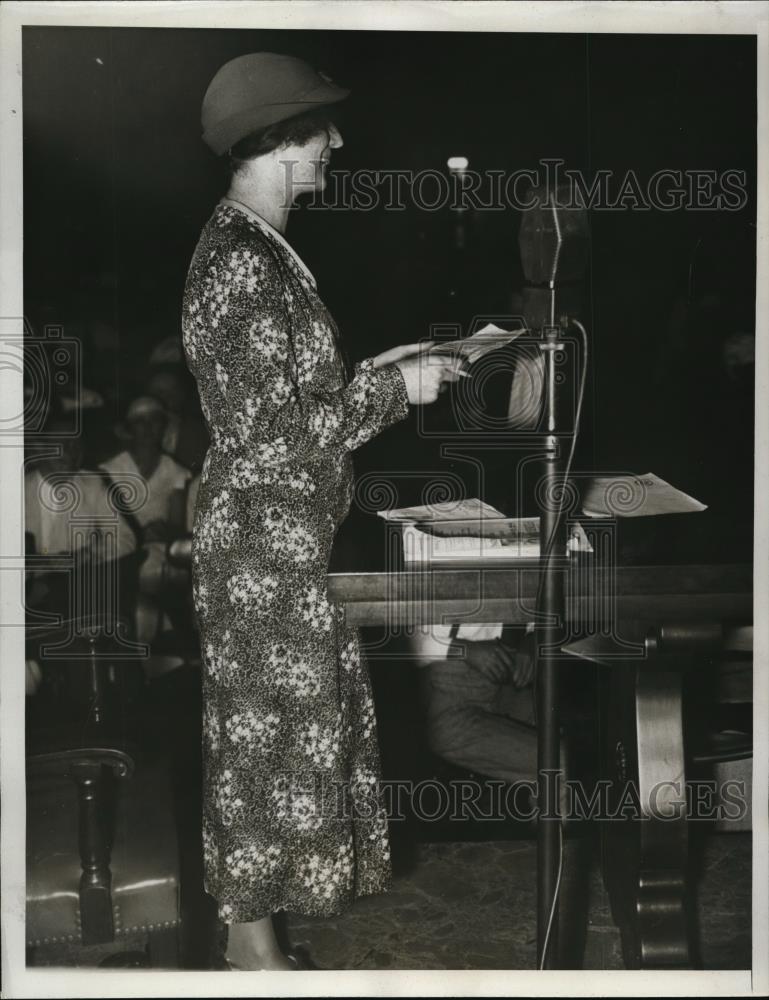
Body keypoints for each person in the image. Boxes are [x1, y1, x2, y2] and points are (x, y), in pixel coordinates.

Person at [182, 52, 462, 971]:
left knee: (273, 751)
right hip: (263, 545)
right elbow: (271, 434)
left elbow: (285, 403)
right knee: (265, 755)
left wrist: (384, 370)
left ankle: (251, 945)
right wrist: (396, 393)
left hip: (283, 542)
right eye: (317, 129)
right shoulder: (239, 262)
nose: (335, 142)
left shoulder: (259, 251)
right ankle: (250, 955)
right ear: (272, 142)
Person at [101, 396, 192, 642]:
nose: (148, 428)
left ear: (164, 426)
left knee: (155, 572)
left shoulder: (174, 471)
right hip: (119, 547)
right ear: (129, 428)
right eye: (140, 422)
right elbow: (105, 524)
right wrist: (139, 534)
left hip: (158, 550)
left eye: (155, 421)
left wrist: (163, 531)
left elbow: (176, 526)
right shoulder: (110, 470)